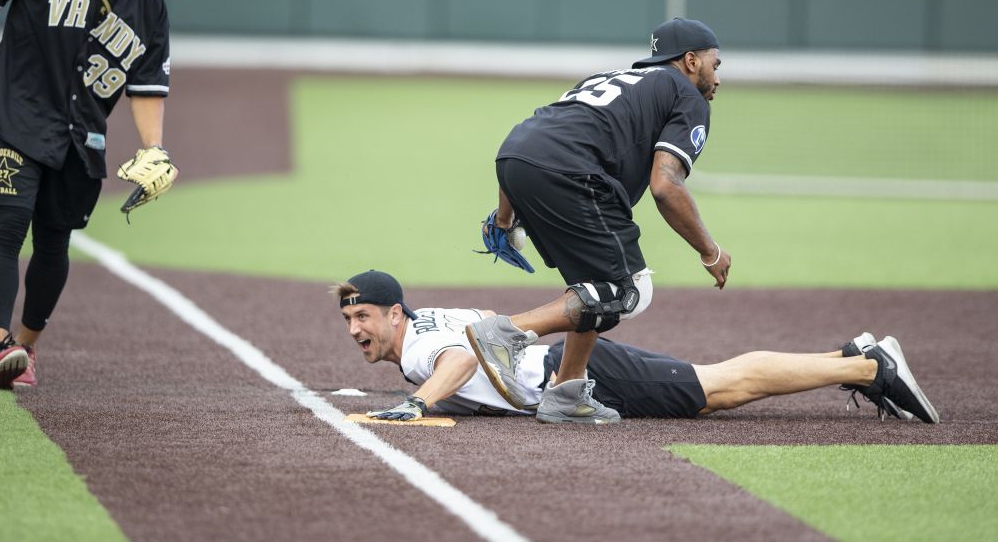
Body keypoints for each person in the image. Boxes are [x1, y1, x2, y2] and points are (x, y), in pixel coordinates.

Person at [466, 17, 732, 424]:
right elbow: (665, 185)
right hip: (569, 168)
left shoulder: (605, 77)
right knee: (627, 290)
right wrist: (709, 252)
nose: (718, 77)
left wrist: (504, 219)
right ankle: (507, 333)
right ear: (691, 61)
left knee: (592, 285)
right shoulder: (686, 95)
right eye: (716, 64)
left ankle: (567, 391)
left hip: (515, 156)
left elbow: (532, 138)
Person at [0, 0, 187, 388]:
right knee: (8, 227)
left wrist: (154, 148)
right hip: (16, 113)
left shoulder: (150, 7)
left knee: (54, 243)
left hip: (81, 136)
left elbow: (147, 87)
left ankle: (26, 348)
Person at [333, 270, 939, 424]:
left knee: (720, 389)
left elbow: (461, 358)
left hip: (579, 375)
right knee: (714, 379)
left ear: (395, 313)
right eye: (348, 319)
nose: (356, 329)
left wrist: (420, 402)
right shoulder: (434, 318)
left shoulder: (417, 350)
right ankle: (848, 357)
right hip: (574, 365)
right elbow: (487, 320)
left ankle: (871, 369)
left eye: (363, 316)